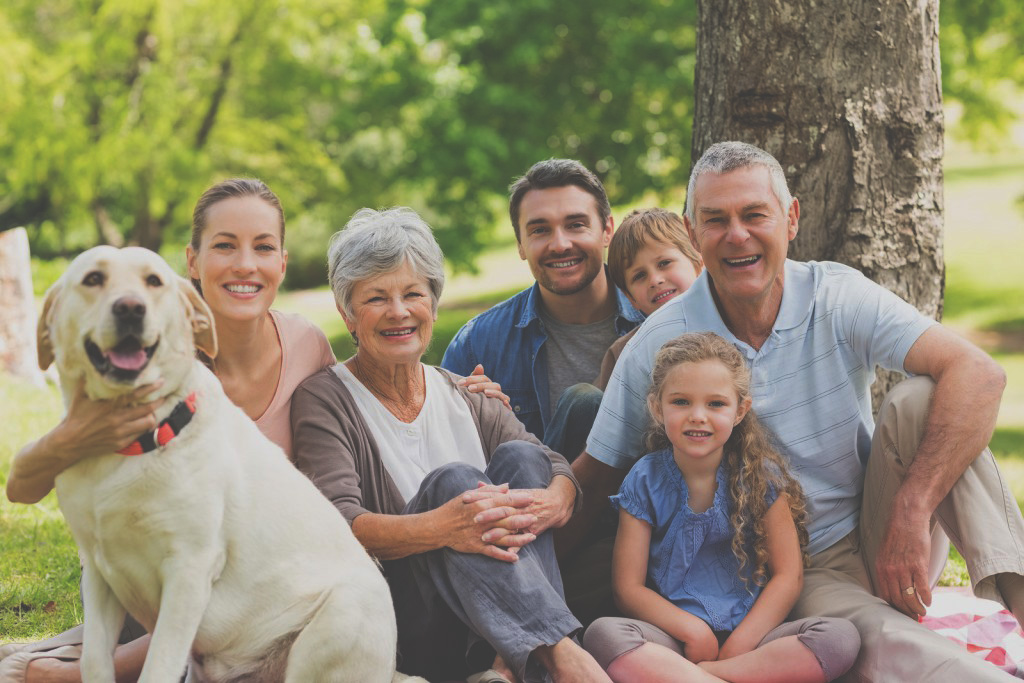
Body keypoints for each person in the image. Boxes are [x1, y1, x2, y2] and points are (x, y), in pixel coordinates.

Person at [571, 141, 1024, 682]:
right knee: (878, 643)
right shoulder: (661, 341)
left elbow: (980, 374)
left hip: (885, 529)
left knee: (926, 399)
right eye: (715, 220)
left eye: (754, 214)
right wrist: (529, 613)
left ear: (790, 218)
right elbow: (594, 477)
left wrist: (911, 509)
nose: (737, 235)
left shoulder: (835, 294)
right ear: (692, 233)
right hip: (796, 570)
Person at [1, 178, 336, 682]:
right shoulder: (140, 366)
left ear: (282, 263)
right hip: (150, 586)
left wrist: (450, 383)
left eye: (263, 247)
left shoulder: (306, 343)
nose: (245, 264)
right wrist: (77, 438)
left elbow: (352, 405)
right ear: (193, 262)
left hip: (251, 586)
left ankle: (63, 667)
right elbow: (22, 487)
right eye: (225, 246)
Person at [290, 207, 610, 683]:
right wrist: (442, 526)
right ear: (347, 314)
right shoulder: (325, 399)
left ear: (434, 305)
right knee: (454, 482)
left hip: (491, 623)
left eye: (413, 294)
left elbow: (552, 465)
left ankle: (507, 664)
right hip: (414, 623)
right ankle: (562, 655)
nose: (399, 311)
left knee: (522, 458)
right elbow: (339, 524)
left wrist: (556, 500)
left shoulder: (468, 393)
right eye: (376, 298)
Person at [583, 332, 859, 683]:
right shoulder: (645, 479)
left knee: (839, 639)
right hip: (673, 642)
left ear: (740, 410)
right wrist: (693, 631)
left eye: (715, 404)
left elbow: (788, 577)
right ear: (657, 408)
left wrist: (736, 648)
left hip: (753, 641)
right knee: (604, 636)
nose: (698, 416)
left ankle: (709, 676)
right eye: (681, 402)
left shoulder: (762, 478)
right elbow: (627, 589)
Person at [442, 159, 643, 461]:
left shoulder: (657, 321)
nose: (560, 245)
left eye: (576, 225)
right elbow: (449, 456)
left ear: (607, 231)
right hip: (532, 491)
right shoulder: (476, 346)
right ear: (520, 245)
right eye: (540, 230)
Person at [595, 207, 703, 390]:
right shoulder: (625, 353)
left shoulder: (736, 325)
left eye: (664, 263)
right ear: (630, 298)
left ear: (698, 262)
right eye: (639, 276)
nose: (655, 280)